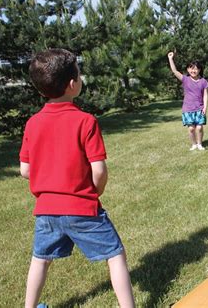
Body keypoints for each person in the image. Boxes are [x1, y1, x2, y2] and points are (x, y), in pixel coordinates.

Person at [20, 49, 135, 308]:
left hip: (46, 211)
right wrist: (96, 190)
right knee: (115, 256)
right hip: (83, 208)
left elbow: (25, 170)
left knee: (40, 259)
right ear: (73, 84)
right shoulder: (85, 121)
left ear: (41, 90)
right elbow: (99, 171)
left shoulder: (32, 124)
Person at [168, 52, 208, 151]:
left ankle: (200, 144)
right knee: (191, 129)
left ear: (199, 70)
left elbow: (205, 95)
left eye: (196, 68)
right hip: (188, 109)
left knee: (199, 128)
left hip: (199, 108)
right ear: (188, 69)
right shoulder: (185, 79)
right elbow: (174, 71)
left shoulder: (204, 82)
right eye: (191, 68)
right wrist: (170, 58)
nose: (193, 70)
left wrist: (205, 107)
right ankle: (194, 144)